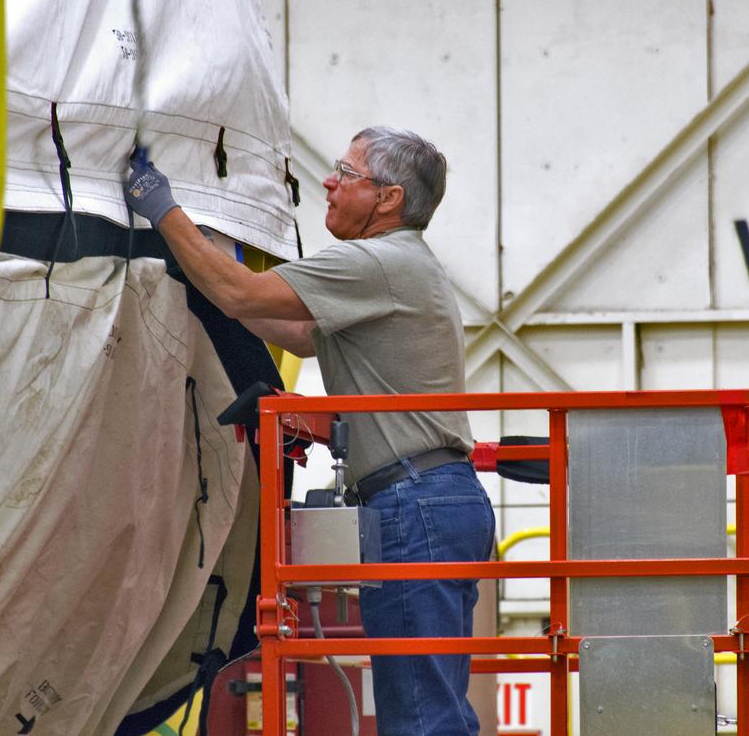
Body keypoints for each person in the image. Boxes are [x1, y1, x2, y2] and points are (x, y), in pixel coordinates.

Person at [124, 126, 495, 736]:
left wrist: (161, 207)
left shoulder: (376, 262)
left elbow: (242, 297)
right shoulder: (401, 269)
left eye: (346, 174)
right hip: (435, 498)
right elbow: (294, 331)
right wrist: (213, 262)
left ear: (388, 200)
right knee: (428, 702)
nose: (329, 181)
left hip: (416, 502)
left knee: (421, 714)